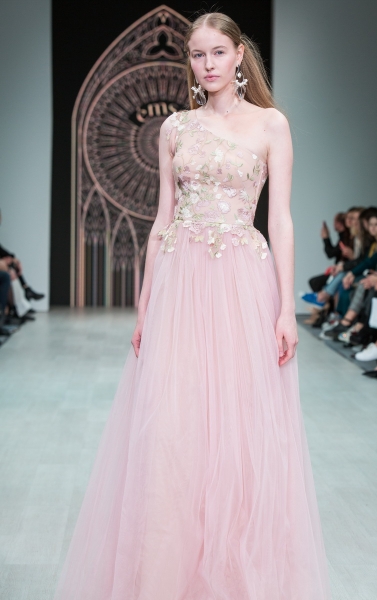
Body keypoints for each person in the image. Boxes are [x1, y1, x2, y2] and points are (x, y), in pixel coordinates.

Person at [53, 12, 331, 600]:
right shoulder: (175, 128)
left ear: (239, 55)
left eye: (217, 52)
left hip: (242, 282)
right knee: (173, 426)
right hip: (180, 283)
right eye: (197, 54)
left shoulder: (271, 124)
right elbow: (161, 220)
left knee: (240, 424)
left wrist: (286, 309)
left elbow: (280, 220)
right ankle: (169, 574)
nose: (207, 64)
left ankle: (233, 574)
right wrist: (145, 303)